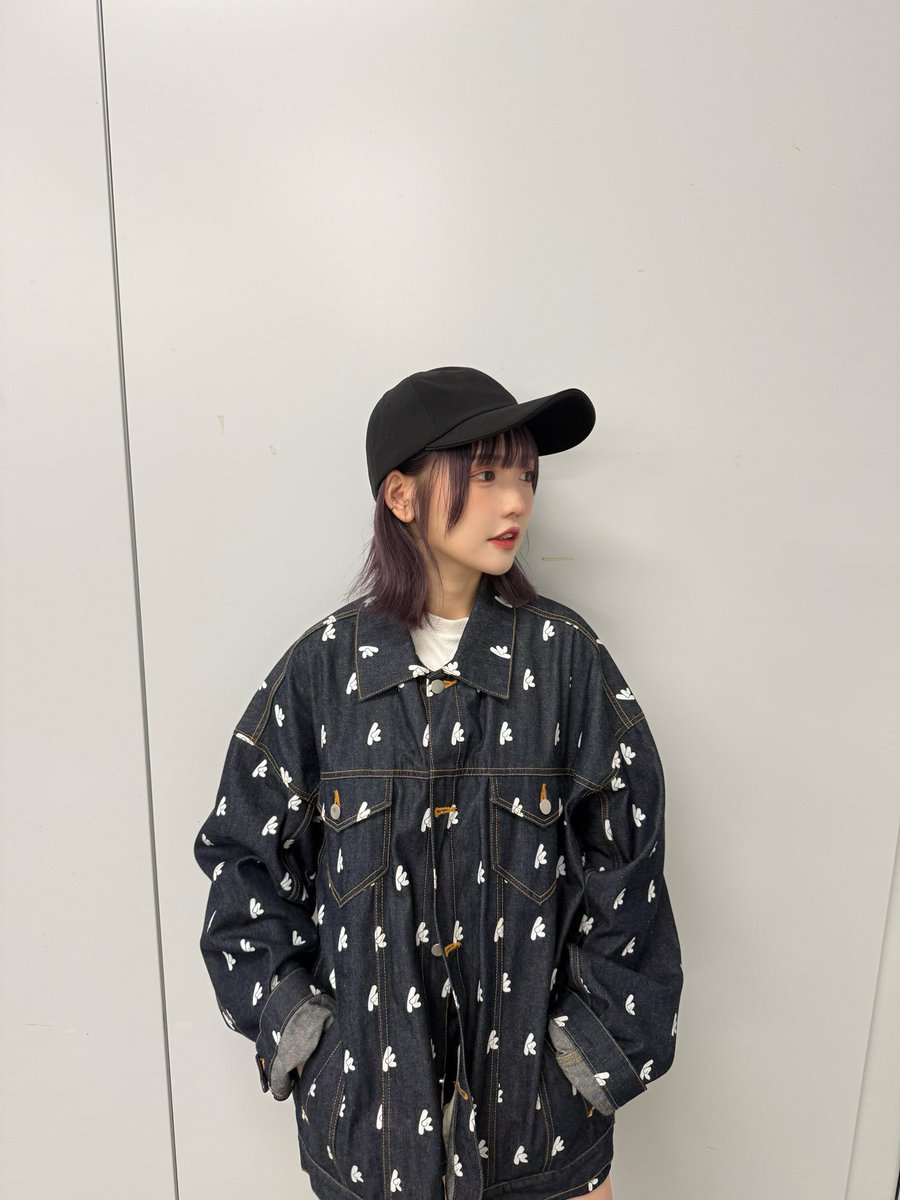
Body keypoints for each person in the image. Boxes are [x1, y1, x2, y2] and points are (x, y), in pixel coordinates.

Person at [193, 365, 684, 1200]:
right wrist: (306, 1035)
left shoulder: (566, 663)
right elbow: (243, 861)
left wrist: (586, 1057)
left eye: (525, 475)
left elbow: (629, 870)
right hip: (370, 1140)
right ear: (402, 496)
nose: (516, 501)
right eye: (485, 474)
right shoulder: (321, 675)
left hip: (541, 1136)